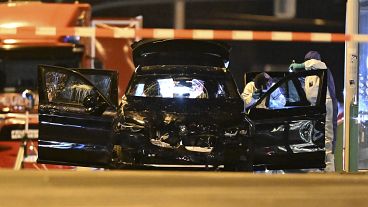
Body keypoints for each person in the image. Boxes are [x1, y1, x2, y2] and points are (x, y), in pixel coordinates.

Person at [289, 50, 338, 172]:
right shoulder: (308, 76)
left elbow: (316, 63)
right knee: (316, 137)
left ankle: (330, 168)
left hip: (327, 105)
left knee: (328, 136)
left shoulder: (321, 67)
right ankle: (319, 167)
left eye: (307, 62)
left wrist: (299, 66)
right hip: (315, 108)